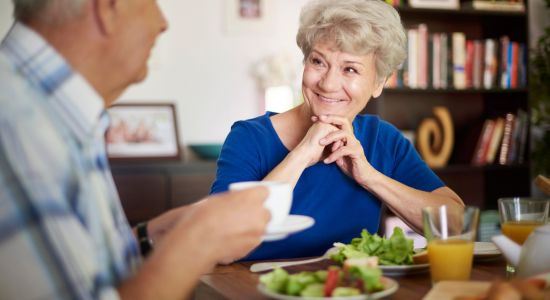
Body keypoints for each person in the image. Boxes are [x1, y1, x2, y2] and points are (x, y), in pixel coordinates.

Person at [0, 0, 270, 299]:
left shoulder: (51, 114)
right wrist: (197, 242)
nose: (163, 22)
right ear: (107, 8)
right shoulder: (15, 126)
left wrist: (150, 237)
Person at [211, 0, 465, 260]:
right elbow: (218, 244)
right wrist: (301, 155)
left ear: (378, 83)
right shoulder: (250, 137)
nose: (329, 83)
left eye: (350, 69)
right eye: (318, 62)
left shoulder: (382, 139)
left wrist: (369, 177)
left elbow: (456, 225)